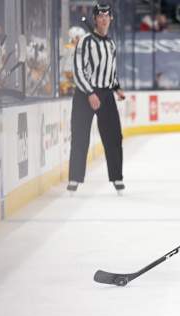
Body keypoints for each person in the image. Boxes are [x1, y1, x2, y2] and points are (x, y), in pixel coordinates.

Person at [68, 3, 126, 194]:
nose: (103, 19)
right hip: (85, 95)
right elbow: (78, 70)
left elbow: (111, 71)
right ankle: (75, 179)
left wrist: (117, 88)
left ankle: (117, 177)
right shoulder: (85, 42)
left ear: (111, 19)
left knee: (114, 137)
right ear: (95, 19)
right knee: (80, 137)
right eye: (100, 16)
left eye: (106, 16)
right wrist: (90, 93)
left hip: (106, 94)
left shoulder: (111, 44)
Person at [60, 26, 86, 96]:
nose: (79, 39)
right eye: (77, 37)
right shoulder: (67, 48)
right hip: (67, 74)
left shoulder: (84, 49)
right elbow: (62, 62)